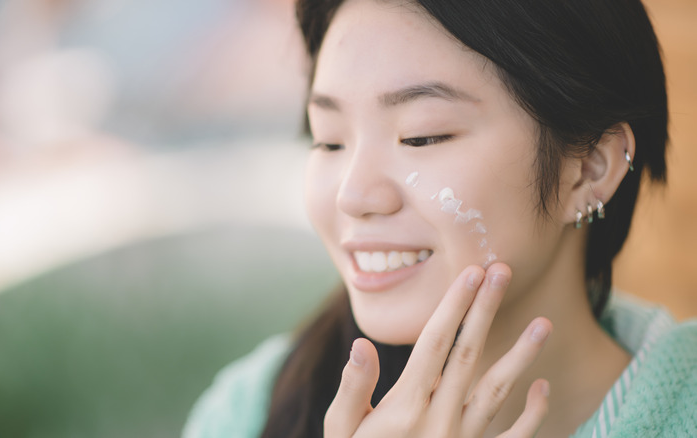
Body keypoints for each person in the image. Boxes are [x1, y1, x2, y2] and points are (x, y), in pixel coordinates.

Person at [183, 0, 697, 436]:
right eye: (329, 139)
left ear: (589, 168)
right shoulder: (245, 412)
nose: (354, 195)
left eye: (421, 136)